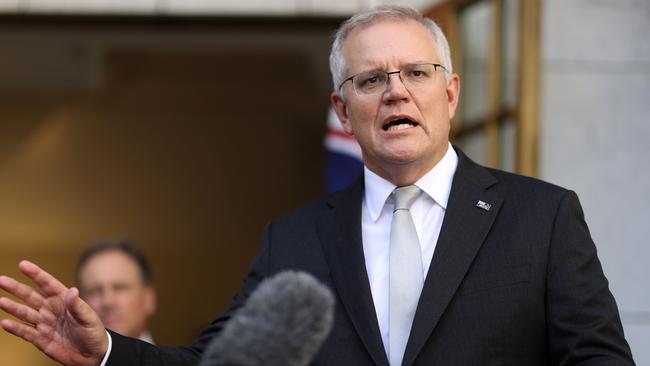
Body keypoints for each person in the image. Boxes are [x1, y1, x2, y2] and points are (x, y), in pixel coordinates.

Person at [0, 5, 635, 366]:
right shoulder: (295, 240)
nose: (395, 91)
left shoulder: (541, 217)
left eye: (415, 72)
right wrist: (109, 351)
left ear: (451, 92)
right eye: (370, 80)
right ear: (342, 109)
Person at [76, 241, 156, 344]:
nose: (108, 301)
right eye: (94, 291)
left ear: (148, 298)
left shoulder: (176, 360)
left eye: (120, 288)